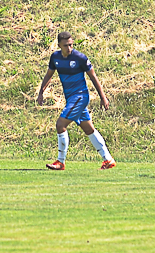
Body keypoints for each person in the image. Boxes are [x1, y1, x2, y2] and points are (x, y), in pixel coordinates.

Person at [35, 32, 115, 171]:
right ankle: (108, 159)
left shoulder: (80, 58)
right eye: (66, 45)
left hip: (80, 97)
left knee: (60, 124)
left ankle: (60, 162)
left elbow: (93, 77)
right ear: (59, 45)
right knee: (88, 129)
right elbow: (49, 74)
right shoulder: (55, 57)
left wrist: (103, 97)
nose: (69, 48)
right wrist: (41, 92)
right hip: (70, 98)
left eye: (71, 45)